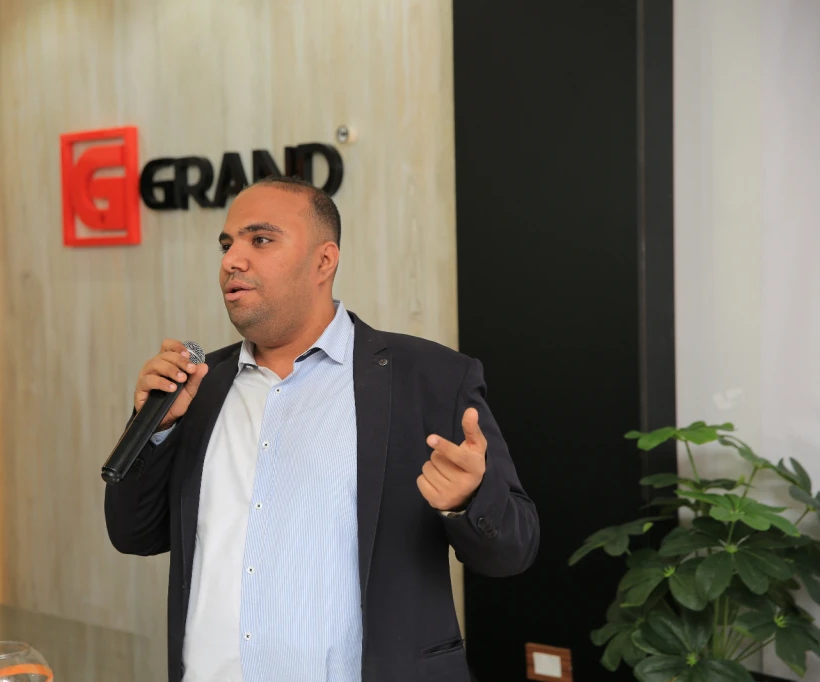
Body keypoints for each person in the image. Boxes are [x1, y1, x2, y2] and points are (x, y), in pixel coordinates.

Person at [104, 177, 539, 682]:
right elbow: (133, 534)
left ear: (324, 261)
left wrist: (466, 500)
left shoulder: (430, 377)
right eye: (226, 245)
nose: (232, 261)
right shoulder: (199, 387)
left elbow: (513, 550)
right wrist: (155, 429)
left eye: (260, 239)